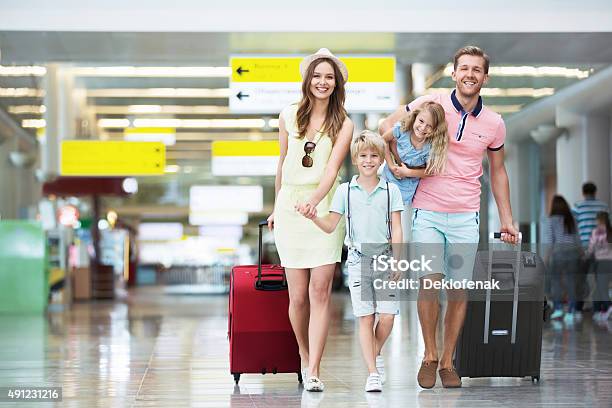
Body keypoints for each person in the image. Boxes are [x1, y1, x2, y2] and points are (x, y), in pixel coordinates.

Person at [379, 45, 519, 389]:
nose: (470, 74)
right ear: (454, 73)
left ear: (485, 77)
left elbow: (498, 172)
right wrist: (401, 165)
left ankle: (447, 361)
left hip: (465, 214)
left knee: (458, 290)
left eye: (477, 70)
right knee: (429, 282)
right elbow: (388, 126)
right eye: (464, 68)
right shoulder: (433, 101)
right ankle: (429, 355)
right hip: (426, 209)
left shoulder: (494, 124)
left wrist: (506, 219)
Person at [267, 48, 354, 392]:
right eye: (317, 76)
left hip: (323, 208)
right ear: (307, 80)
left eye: (329, 77)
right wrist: (278, 206)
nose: (322, 82)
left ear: (337, 83)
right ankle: (303, 354)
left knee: (320, 292)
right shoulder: (288, 114)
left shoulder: (344, 123)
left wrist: (314, 202)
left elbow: (332, 169)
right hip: (290, 206)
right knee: (298, 296)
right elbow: (282, 162)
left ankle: (315, 368)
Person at [300, 131, 403, 392]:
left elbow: (398, 229)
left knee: (388, 317)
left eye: (374, 156)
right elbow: (331, 225)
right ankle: (372, 373)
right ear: (356, 159)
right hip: (358, 261)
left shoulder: (391, 190)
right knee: (366, 318)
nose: (368, 160)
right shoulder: (345, 191)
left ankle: (374, 352)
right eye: (363, 156)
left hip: (386, 258)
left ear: (381, 159)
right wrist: (313, 217)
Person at [380, 101, 449, 240]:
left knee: (394, 218)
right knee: (380, 214)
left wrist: (408, 173)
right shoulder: (402, 129)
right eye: (421, 121)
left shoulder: (431, 145)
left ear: (435, 129)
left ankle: (395, 256)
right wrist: (391, 164)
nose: (423, 128)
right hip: (389, 176)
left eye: (429, 126)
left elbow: (430, 171)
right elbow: (382, 141)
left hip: (407, 184)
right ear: (415, 117)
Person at [542, 195, 582, 322]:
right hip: (573, 254)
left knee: (556, 283)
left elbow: (550, 241)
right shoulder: (572, 219)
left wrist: (546, 257)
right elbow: (577, 239)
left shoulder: (551, 220)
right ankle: (571, 311)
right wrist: (581, 252)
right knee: (571, 283)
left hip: (559, 254)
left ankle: (558, 309)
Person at [572, 182, 610, 315]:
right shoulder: (604, 206)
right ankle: (601, 310)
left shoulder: (578, 207)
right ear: (595, 192)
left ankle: (577, 309)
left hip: (585, 249)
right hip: (602, 250)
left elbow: (573, 229)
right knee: (600, 281)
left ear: (583, 193)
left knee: (581, 279)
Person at [587, 212, 612, 322]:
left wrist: (586, 255)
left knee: (601, 289)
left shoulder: (595, 232)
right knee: (601, 288)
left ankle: (608, 308)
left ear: (599, 220)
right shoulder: (610, 231)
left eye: (596, 220)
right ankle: (599, 311)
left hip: (601, 264)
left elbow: (591, 249)